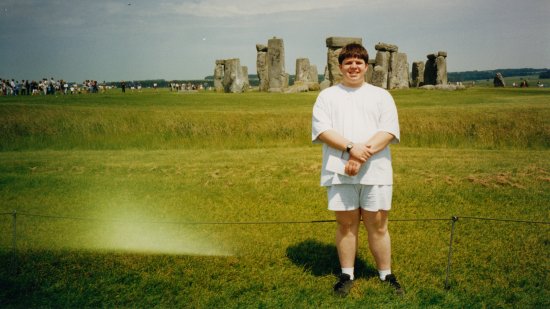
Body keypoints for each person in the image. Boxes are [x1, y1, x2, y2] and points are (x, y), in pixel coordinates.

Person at [311, 43, 403, 297]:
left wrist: (360, 155)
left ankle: (386, 274)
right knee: (346, 224)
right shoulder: (327, 96)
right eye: (348, 62)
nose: (353, 67)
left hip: (377, 170)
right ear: (340, 67)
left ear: (366, 66)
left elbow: (388, 131)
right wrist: (352, 148)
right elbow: (322, 131)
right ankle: (346, 274)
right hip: (338, 169)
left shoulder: (381, 96)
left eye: (358, 62)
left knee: (378, 224)